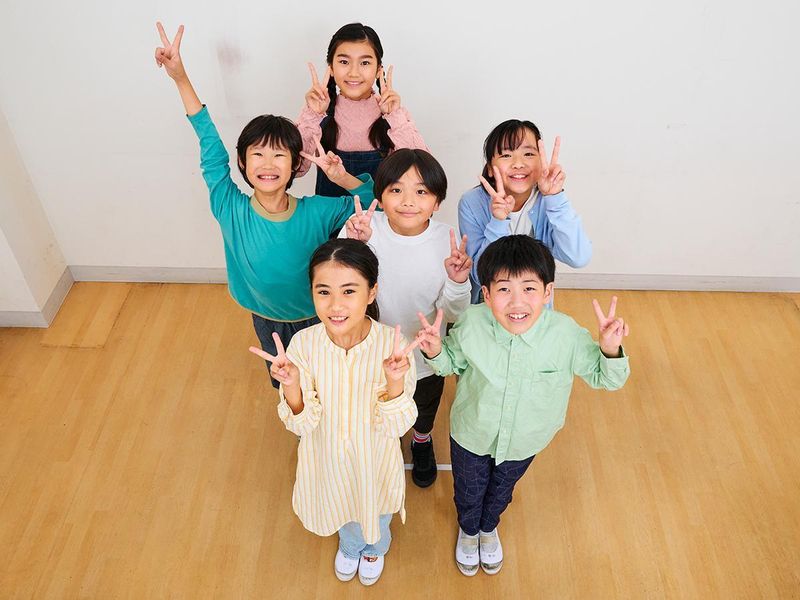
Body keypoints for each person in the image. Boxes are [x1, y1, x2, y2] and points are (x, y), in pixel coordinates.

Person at [155, 22, 376, 387]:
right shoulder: (230, 208)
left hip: (318, 317)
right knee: (287, 383)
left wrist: (342, 178)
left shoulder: (316, 211)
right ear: (243, 163)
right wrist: (180, 78)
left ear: (295, 165)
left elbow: (371, 202)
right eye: (258, 154)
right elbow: (210, 146)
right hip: (266, 319)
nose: (268, 164)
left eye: (279, 155)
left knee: (327, 381)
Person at [415, 235, 630, 576]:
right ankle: (469, 531)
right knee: (468, 491)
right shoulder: (472, 323)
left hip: (526, 440)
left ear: (548, 292)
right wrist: (435, 351)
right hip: (472, 433)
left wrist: (609, 349)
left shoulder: (566, 334)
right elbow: (450, 364)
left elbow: (607, 379)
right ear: (486, 295)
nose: (517, 302)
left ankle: (489, 527)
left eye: (529, 288)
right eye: (504, 289)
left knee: (502, 490)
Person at [249, 239, 418, 586]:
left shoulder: (394, 347)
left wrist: (394, 382)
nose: (336, 305)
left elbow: (397, 425)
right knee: (341, 506)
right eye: (323, 292)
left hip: (375, 462)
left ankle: (375, 548)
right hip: (327, 459)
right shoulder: (303, 344)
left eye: (349, 291)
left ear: (372, 292)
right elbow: (302, 424)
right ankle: (352, 545)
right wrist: (292, 385)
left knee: (377, 512)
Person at [342, 149, 471, 487]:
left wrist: (458, 282)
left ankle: (421, 441)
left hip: (425, 356)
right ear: (380, 196)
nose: (408, 201)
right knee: (374, 401)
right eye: (396, 189)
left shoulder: (446, 240)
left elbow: (455, 312)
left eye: (421, 191)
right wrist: (354, 246)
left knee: (424, 406)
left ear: (437, 201)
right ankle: (383, 442)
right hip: (371, 351)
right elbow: (343, 287)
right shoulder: (364, 228)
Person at [458, 119, 592, 303]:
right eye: (506, 155)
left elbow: (578, 257)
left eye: (528, 154)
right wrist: (498, 221)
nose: (518, 163)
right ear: (489, 168)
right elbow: (479, 275)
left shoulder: (548, 202)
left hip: (534, 309)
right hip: (487, 307)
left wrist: (555, 198)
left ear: (541, 162)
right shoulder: (471, 202)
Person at [297, 22, 428, 196]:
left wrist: (395, 116)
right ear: (331, 68)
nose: (354, 73)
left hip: (378, 212)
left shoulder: (393, 114)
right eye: (344, 62)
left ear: (378, 70)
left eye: (365, 63)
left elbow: (423, 171)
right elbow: (296, 169)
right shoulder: (319, 111)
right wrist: (313, 115)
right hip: (331, 213)